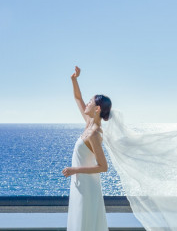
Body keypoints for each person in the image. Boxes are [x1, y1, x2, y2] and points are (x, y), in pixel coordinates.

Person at [62, 65, 112, 231]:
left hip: (88, 189)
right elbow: (78, 98)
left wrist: (74, 169)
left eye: (90, 102)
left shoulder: (94, 133)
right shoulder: (88, 124)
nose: (87, 103)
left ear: (97, 109)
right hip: (80, 185)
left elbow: (103, 167)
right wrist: (74, 80)